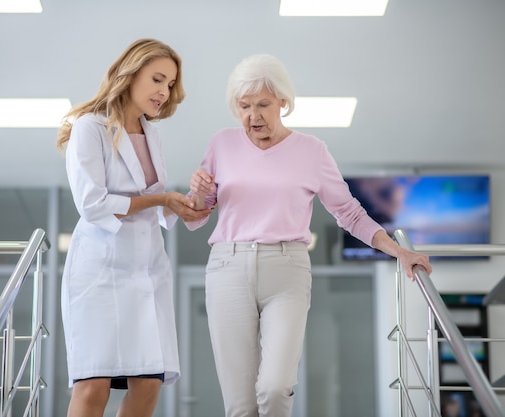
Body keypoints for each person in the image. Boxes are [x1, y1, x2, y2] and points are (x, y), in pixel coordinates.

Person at [184, 54, 433, 417]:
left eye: (263, 105)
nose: (253, 116)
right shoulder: (221, 144)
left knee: (275, 388)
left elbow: (348, 212)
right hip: (227, 265)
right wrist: (197, 192)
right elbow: (196, 216)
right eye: (244, 106)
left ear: (283, 101)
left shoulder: (311, 151)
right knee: (239, 405)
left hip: (286, 269)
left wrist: (398, 251)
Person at [56, 38, 211, 417]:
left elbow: (157, 206)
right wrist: (162, 200)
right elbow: (92, 204)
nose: (164, 91)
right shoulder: (89, 127)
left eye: (170, 84)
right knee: (94, 386)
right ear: (130, 73)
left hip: (147, 271)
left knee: (148, 387)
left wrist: (193, 202)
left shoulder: (151, 134)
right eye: (157, 79)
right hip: (100, 271)